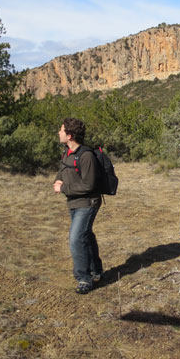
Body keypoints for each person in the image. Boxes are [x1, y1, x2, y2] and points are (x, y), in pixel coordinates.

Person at [53, 117, 103, 295]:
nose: (59, 133)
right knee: (85, 236)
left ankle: (84, 278)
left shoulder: (86, 155)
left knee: (76, 239)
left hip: (87, 203)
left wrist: (64, 187)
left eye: (61, 130)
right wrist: (58, 179)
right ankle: (96, 270)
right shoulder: (67, 152)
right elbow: (63, 169)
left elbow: (89, 185)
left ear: (70, 135)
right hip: (73, 202)